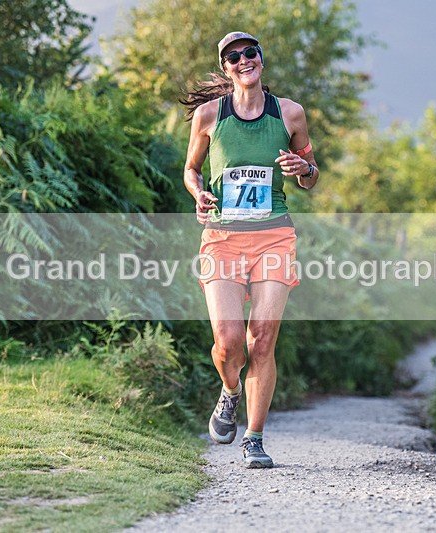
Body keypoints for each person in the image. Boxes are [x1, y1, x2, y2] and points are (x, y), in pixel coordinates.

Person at [181, 31, 319, 468]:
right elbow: (191, 170)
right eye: (234, 57)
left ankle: (254, 438)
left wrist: (305, 168)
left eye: (250, 53)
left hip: (274, 236)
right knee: (228, 344)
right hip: (222, 238)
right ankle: (230, 391)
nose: (244, 60)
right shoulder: (208, 115)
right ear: (227, 68)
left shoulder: (290, 113)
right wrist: (198, 193)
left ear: (261, 58)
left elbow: (311, 175)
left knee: (262, 340)